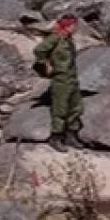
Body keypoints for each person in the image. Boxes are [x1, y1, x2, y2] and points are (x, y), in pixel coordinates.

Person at [33, 15, 83, 152]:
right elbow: (39, 50)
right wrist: (46, 64)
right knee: (60, 109)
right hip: (60, 79)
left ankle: (71, 136)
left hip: (71, 78)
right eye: (73, 25)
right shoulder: (55, 38)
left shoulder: (67, 39)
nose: (75, 28)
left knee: (76, 107)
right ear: (67, 26)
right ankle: (56, 138)